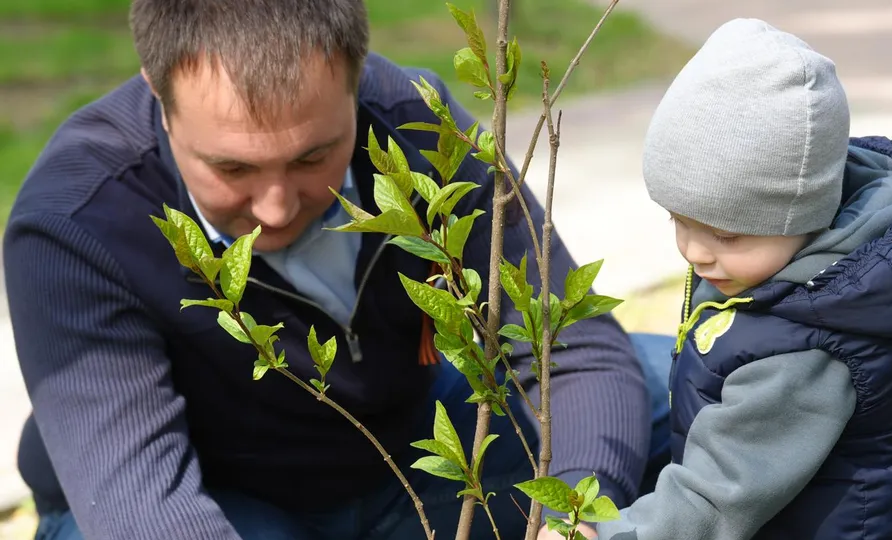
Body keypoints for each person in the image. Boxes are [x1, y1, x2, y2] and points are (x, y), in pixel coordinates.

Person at [3, 1, 674, 539]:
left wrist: (573, 522)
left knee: (678, 385)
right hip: (213, 501)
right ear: (157, 92)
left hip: (403, 454)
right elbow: (140, 509)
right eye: (232, 168)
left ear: (358, 80)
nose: (276, 206)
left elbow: (571, 349)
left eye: (311, 158)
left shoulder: (415, 126)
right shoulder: (78, 221)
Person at [598, 18, 892, 540]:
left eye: (726, 235)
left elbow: (716, 496)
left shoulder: (806, 351)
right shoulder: (777, 275)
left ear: (805, 216)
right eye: (678, 219)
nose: (695, 252)